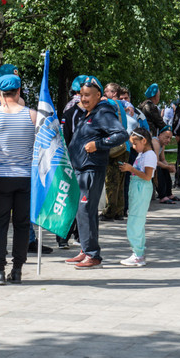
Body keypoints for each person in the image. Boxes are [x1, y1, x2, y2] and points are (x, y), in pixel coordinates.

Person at [62, 76, 128, 269]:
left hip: (91, 170)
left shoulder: (103, 113)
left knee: (86, 211)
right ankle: (85, 249)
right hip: (81, 170)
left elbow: (121, 135)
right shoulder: (89, 113)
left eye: (88, 95)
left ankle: (93, 254)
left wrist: (98, 145)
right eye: (81, 95)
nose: (83, 98)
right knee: (81, 212)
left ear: (98, 95)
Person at [0, 74, 37, 285]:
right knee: (22, 225)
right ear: (19, 91)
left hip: (0, 178)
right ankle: (18, 269)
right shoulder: (33, 116)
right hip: (26, 179)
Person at [118, 128, 157, 266]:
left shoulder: (150, 155)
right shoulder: (142, 154)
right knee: (135, 220)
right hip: (137, 189)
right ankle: (138, 253)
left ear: (144, 141)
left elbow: (147, 176)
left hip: (142, 189)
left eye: (135, 144)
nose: (133, 147)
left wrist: (131, 169)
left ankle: (138, 254)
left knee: (135, 222)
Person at [100, 82, 129, 221]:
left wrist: (102, 100)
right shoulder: (121, 105)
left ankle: (109, 211)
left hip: (115, 148)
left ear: (114, 93)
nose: (104, 93)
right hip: (125, 147)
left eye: (107, 91)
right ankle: (119, 210)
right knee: (121, 181)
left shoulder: (111, 103)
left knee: (111, 180)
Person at [153, 126, 179, 203]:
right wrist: (167, 166)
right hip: (147, 165)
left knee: (165, 170)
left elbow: (163, 159)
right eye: (167, 137)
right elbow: (156, 162)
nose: (168, 140)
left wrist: (170, 167)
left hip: (154, 163)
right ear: (160, 135)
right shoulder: (155, 143)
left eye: (170, 138)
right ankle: (162, 196)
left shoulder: (162, 144)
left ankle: (168, 194)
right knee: (159, 170)